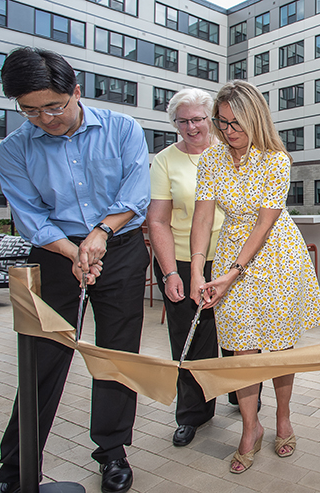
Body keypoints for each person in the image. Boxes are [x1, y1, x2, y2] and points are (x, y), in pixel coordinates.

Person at [0, 47, 150, 493]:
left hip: (118, 249)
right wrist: (71, 250)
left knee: (116, 355)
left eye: (55, 106)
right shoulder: (15, 148)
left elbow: (134, 196)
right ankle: (16, 465)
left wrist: (98, 236)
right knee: (41, 357)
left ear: (76, 92)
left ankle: (112, 452)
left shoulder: (122, 130)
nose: (46, 119)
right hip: (56, 257)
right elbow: (30, 217)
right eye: (31, 111)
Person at [189, 80, 320, 474]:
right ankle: (251, 428)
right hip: (230, 251)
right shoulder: (212, 159)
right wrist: (198, 268)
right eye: (223, 122)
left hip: (275, 256)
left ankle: (283, 417)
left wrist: (232, 273)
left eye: (237, 124)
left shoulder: (275, 159)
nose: (229, 131)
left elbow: (265, 224)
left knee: (278, 348)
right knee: (240, 350)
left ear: (256, 119)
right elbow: (203, 216)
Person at [146, 88, 226, 447]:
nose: (192, 127)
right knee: (189, 340)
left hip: (230, 260)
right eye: (183, 121)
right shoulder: (164, 161)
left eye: (198, 119)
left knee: (238, 334)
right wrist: (170, 273)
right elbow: (158, 221)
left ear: (211, 119)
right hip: (180, 258)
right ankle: (193, 413)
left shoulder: (230, 151)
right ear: (174, 123)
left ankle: (242, 396)